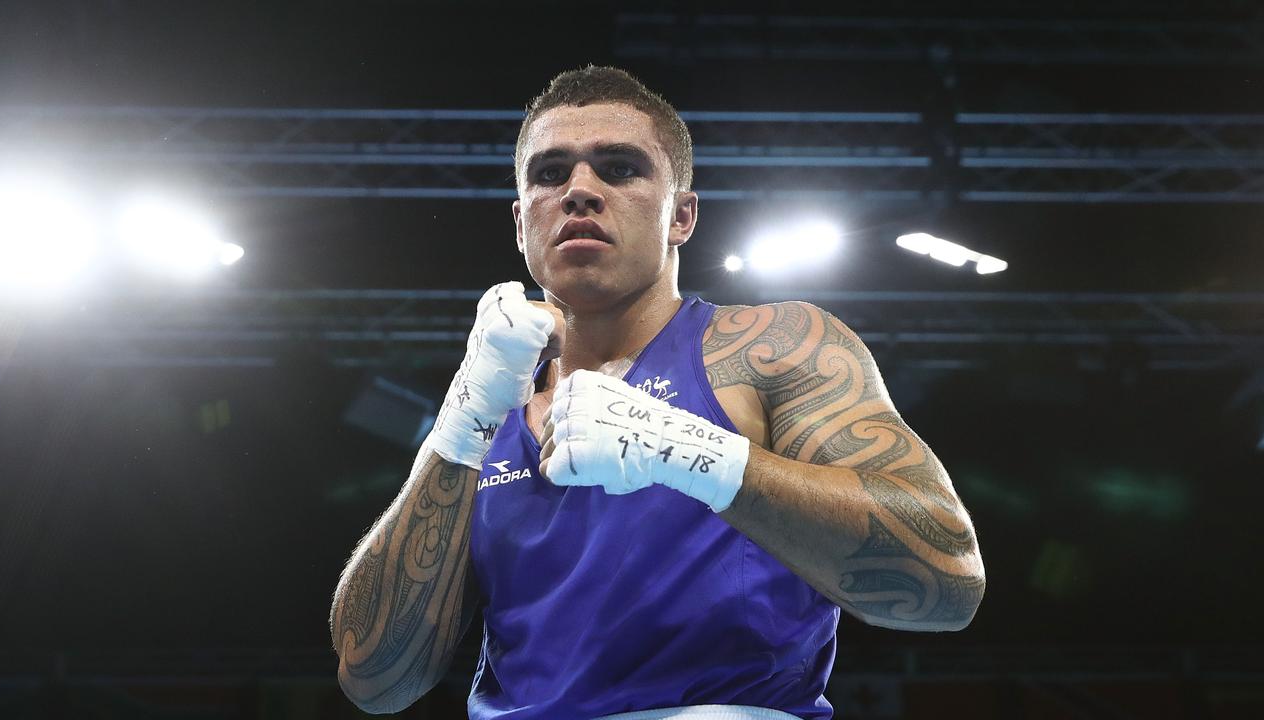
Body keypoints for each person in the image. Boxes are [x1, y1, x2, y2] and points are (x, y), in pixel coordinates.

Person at [330, 65, 985, 720]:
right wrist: (464, 415)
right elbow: (376, 678)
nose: (579, 191)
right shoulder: (494, 404)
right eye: (550, 173)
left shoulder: (770, 346)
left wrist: (689, 450)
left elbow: (948, 581)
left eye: (619, 168)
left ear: (682, 215)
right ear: (520, 219)